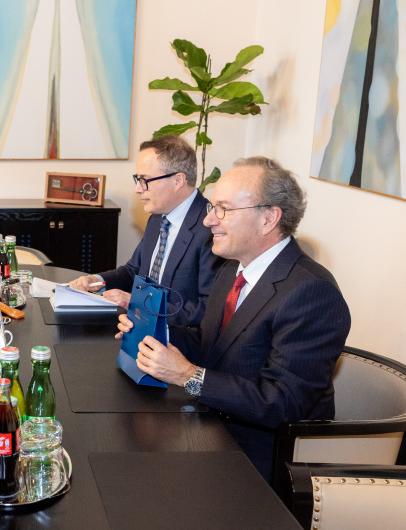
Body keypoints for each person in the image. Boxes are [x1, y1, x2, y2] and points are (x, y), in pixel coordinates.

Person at [116, 157, 351, 481]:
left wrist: (188, 375)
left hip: (262, 456)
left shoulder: (312, 293)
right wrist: (153, 333)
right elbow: (212, 343)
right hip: (212, 423)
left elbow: (283, 403)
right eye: (212, 207)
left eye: (223, 209)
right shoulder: (231, 269)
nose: (209, 220)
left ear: (268, 218)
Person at [69, 135, 222, 327]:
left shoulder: (212, 228)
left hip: (178, 340)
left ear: (178, 180)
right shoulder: (158, 217)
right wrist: (97, 281)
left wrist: (139, 304)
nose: (137, 189)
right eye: (137, 179)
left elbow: (207, 309)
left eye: (145, 180)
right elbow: (134, 271)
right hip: (140, 325)